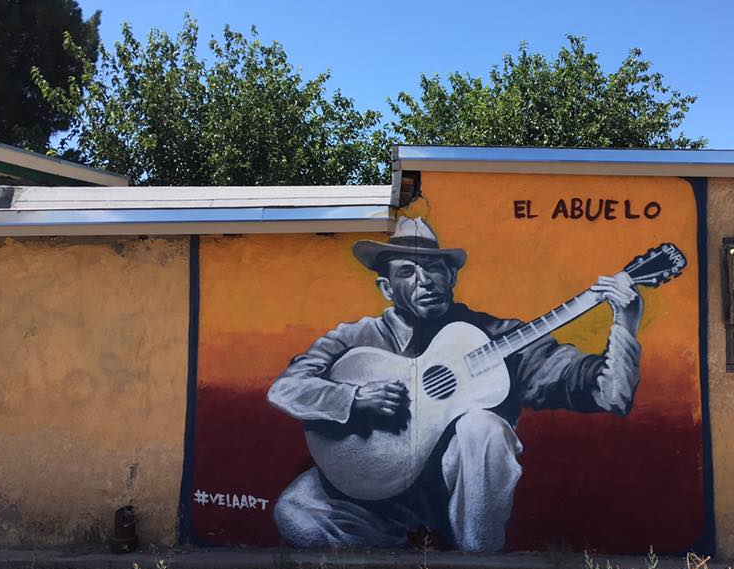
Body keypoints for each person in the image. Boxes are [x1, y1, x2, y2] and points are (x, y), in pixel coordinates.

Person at [267, 216, 642, 551]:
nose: (425, 281)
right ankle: (402, 558)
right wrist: (352, 398)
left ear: (453, 277)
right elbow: (286, 388)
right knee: (296, 512)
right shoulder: (356, 337)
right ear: (385, 288)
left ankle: (475, 567)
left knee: (484, 427)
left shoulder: (497, 339)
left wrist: (625, 324)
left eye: (435, 269)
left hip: (448, 499)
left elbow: (611, 395)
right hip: (369, 498)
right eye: (407, 272)